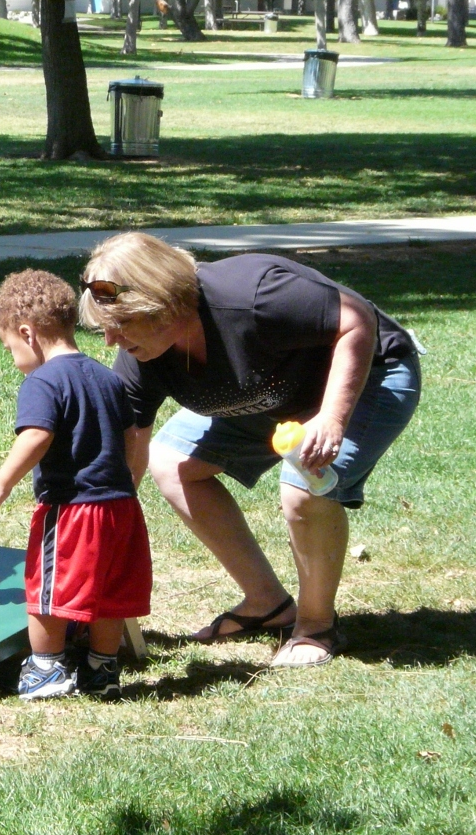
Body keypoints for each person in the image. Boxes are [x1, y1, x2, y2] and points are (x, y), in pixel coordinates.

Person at [80, 233, 420, 667]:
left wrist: (332, 418)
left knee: (303, 485)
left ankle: (317, 626)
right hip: (268, 395)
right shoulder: (142, 357)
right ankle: (268, 604)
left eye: (120, 323)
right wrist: (107, 526)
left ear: (162, 305)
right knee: (173, 463)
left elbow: (357, 320)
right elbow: (133, 452)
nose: (110, 340)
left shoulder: (257, 296)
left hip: (369, 373)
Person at [0, 270, 152, 700]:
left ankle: (46, 670)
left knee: (46, 589)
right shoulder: (109, 378)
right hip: (121, 508)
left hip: (72, 508)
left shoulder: (43, 381)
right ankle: (102, 669)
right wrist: (127, 482)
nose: (13, 358)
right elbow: (133, 436)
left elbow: (36, 435)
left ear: (27, 332)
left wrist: (1, 481)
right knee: (110, 592)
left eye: (10, 348)